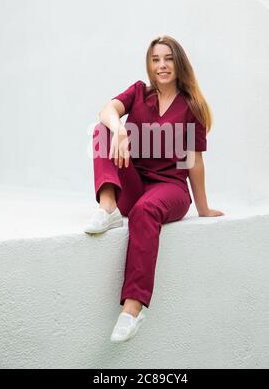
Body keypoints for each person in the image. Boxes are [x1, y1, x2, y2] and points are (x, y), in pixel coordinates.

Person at [85, 35, 225, 343]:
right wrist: (120, 128)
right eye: (155, 59)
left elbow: (194, 161)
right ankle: (107, 207)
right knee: (101, 131)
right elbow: (106, 111)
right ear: (149, 65)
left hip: (170, 188)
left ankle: (131, 311)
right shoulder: (138, 93)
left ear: (179, 63)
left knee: (145, 211)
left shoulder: (192, 107)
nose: (161, 65)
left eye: (168, 59)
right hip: (135, 182)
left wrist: (202, 208)